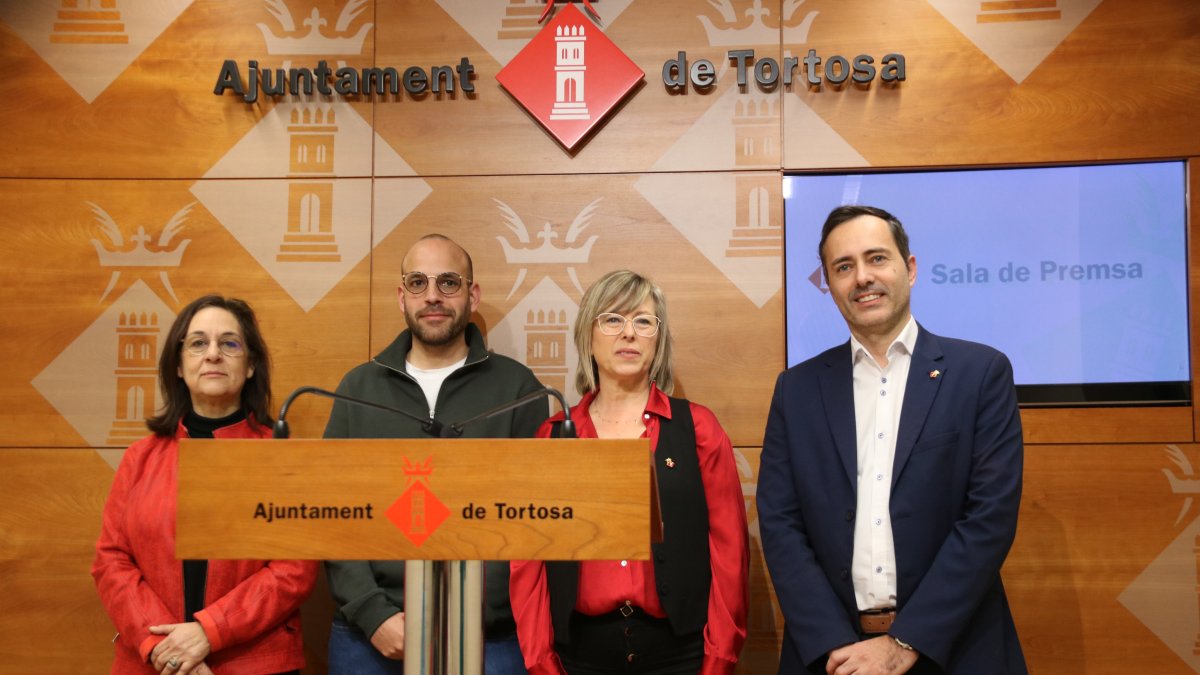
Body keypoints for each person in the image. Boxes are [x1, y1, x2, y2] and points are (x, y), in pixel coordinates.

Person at [757, 205, 1026, 675]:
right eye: (844, 267)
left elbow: (989, 519)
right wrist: (836, 646)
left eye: (876, 258)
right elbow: (780, 524)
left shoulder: (980, 374)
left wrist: (904, 642)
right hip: (833, 657)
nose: (862, 277)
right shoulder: (796, 390)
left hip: (954, 649)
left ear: (911, 268)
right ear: (830, 284)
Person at [323, 234, 545, 675]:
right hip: (372, 637)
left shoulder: (518, 389)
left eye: (448, 282)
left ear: (472, 294)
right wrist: (374, 615)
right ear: (401, 297)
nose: (432, 296)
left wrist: (481, 612)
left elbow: (538, 516)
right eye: (418, 283)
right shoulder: (358, 388)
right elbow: (333, 517)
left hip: (492, 639)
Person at [510, 269, 749, 675]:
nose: (629, 333)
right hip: (579, 657)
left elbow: (730, 553)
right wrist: (541, 662)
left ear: (659, 340)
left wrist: (718, 660)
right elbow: (528, 563)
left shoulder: (699, 431)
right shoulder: (552, 437)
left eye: (643, 321)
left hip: (681, 655)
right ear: (588, 334)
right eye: (612, 319)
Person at [92, 295, 318, 674]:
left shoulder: (283, 458)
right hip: (152, 661)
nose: (213, 354)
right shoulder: (138, 459)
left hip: (253, 663)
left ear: (250, 366)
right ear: (179, 366)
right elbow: (111, 562)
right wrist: (167, 648)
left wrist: (208, 632)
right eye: (198, 343)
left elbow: (295, 568)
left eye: (229, 343)